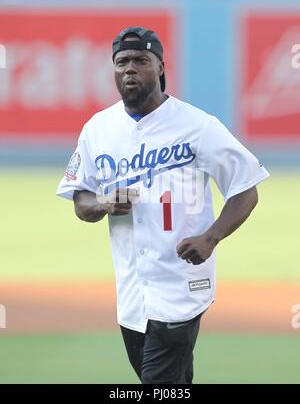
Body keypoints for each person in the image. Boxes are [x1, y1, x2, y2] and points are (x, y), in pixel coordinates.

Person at [57, 27, 270, 384]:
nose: (130, 69)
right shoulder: (98, 129)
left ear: (160, 68)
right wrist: (105, 203)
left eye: (141, 60)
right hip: (131, 295)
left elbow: (246, 187)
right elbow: (81, 201)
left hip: (181, 286)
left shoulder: (197, 126)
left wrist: (212, 237)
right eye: (121, 62)